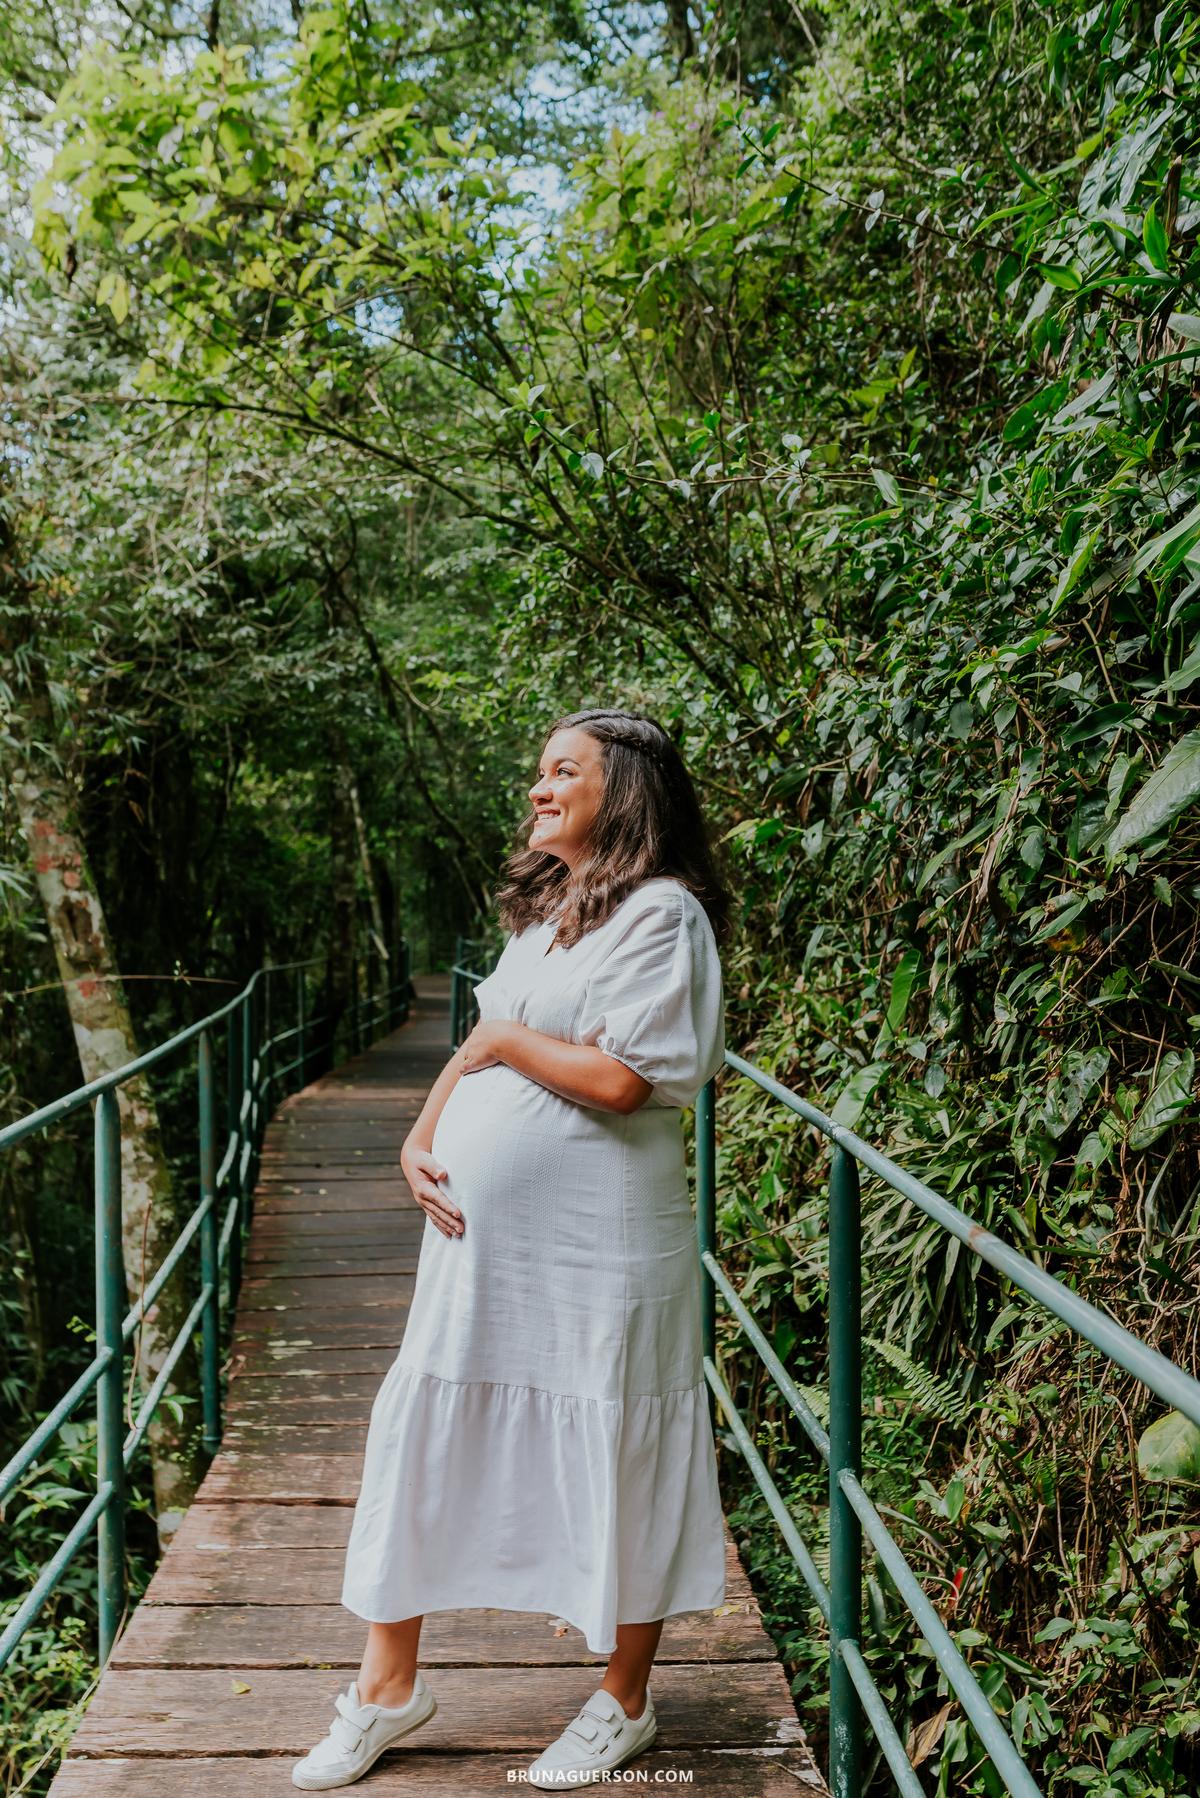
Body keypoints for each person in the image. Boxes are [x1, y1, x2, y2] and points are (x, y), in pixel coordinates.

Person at [293, 708, 730, 1791]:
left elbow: (628, 1077)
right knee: (423, 1429)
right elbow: (487, 1035)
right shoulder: (552, 911)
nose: (537, 788)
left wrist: (493, 1044)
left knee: (619, 1437)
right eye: (537, 771)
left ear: (622, 789)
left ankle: (622, 1702)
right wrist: (419, 1130)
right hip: (480, 1248)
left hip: (601, 1250)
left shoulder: (663, 917)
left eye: (562, 771)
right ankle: (388, 1688)